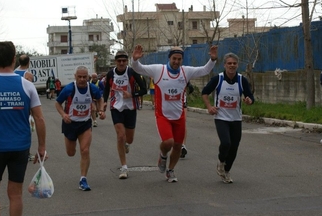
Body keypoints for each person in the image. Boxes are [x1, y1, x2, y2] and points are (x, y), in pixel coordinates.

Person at [0, 41, 47, 216]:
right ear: (13, 59)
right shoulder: (27, 85)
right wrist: (41, 147)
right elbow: (40, 118)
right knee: (15, 194)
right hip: (20, 147)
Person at [131, 44, 218, 182]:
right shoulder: (159, 70)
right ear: (169, 58)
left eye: (179, 59)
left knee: (178, 145)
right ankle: (163, 155)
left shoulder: (186, 72)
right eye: (174, 59)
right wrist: (135, 60)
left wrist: (212, 60)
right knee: (168, 142)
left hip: (179, 116)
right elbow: (138, 68)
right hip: (163, 115)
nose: (176, 62)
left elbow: (204, 70)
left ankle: (170, 171)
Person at [202, 52, 254, 184]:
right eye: (229, 63)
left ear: (237, 65)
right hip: (221, 117)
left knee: (234, 147)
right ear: (224, 65)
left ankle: (226, 171)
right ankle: (220, 161)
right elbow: (205, 93)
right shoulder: (217, 79)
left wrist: (249, 101)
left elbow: (250, 96)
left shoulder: (242, 80)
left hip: (236, 118)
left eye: (234, 63)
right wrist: (209, 107)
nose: (232, 66)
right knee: (226, 143)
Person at [55, 65, 105, 191]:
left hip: (85, 123)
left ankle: (83, 179)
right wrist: (63, 114)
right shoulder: (69, 89)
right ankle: (72, 145)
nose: (82, 79)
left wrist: (101, 110)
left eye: (84, 77)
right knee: (71, 153)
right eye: (79, 77)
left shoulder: (92, 88)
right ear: (75, 77)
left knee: (85, 150)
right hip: (70, 123)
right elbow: (57, 103)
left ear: (88, 77)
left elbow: (100, 99)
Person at [103, 50, 147, 179]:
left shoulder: (132, 72)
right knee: (120, 136)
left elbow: (143, 89)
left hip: (130, 107)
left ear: (127, 61)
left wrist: (132, 94)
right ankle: (124, 167)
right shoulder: (111, 74)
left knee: (129, 139)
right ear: (115, 61)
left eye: (124, 61)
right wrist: (104, 103)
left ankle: (127, 144)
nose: (121, 63)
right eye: (119, 61)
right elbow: (106, 90)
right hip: (116, 107)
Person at [14, 54, 36, 161]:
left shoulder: (13, 73)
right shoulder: (28, 75)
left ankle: (14, 151)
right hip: (24, 107)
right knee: (26, 130)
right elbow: (29, 93)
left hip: (14, 104)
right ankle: (25, 153)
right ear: (28, 62)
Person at [180, 81, 194, 158]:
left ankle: (183, 146)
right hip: (171, 103)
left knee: (183, 123)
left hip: (182, 102)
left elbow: (190, 86)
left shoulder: (183, 74)